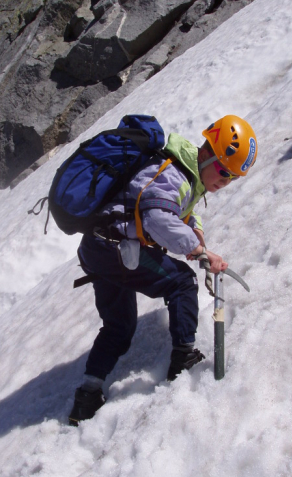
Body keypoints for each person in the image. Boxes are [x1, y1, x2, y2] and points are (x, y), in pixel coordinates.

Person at [69, 115, 257, 425]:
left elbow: (173, 207)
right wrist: (198, 252)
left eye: (232, 178)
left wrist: (193, 228)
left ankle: (86, 396)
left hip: (100, 248)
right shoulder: (176, 174)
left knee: (119, 328)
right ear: (207, 152)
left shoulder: (181, 171)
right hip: (118, 249)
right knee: (182, 282)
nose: (224, 182)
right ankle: (184, 358)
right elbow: (157, 217)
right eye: (223, 171)